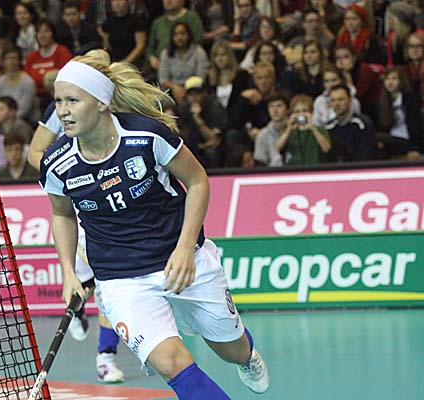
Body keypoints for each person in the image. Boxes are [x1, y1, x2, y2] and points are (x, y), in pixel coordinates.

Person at [39, 56, 270, 398]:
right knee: (170, 362)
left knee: (231, 349)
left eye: (73, 100)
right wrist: (69, 273)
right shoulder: (57, 163)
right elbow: (62, 214)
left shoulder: (146, 135)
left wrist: (185, 249)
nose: (63, 111)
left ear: (101, 102)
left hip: (180, 259)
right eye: (58, 101)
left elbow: (198, 182)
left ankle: (247, 357)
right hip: (120, 277)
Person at [27, 48, 127, 383]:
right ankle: (80, 312)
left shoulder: (120, 102)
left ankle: (106, 357)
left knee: (109, 284)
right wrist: (66, 174)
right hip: (80, 203)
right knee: (84, 284)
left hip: (118, 205)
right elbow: (35, 152)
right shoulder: (63, 107)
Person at [276, 94, 331, 165]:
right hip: (295, 168)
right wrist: (289, 128)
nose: (301, 114)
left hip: (315, 168)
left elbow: (326, 148)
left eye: (305, 111)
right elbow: (277, 148)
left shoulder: (320, 129)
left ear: (311, 112)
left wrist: (313, 128)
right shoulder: (289, 131)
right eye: (297, 111)